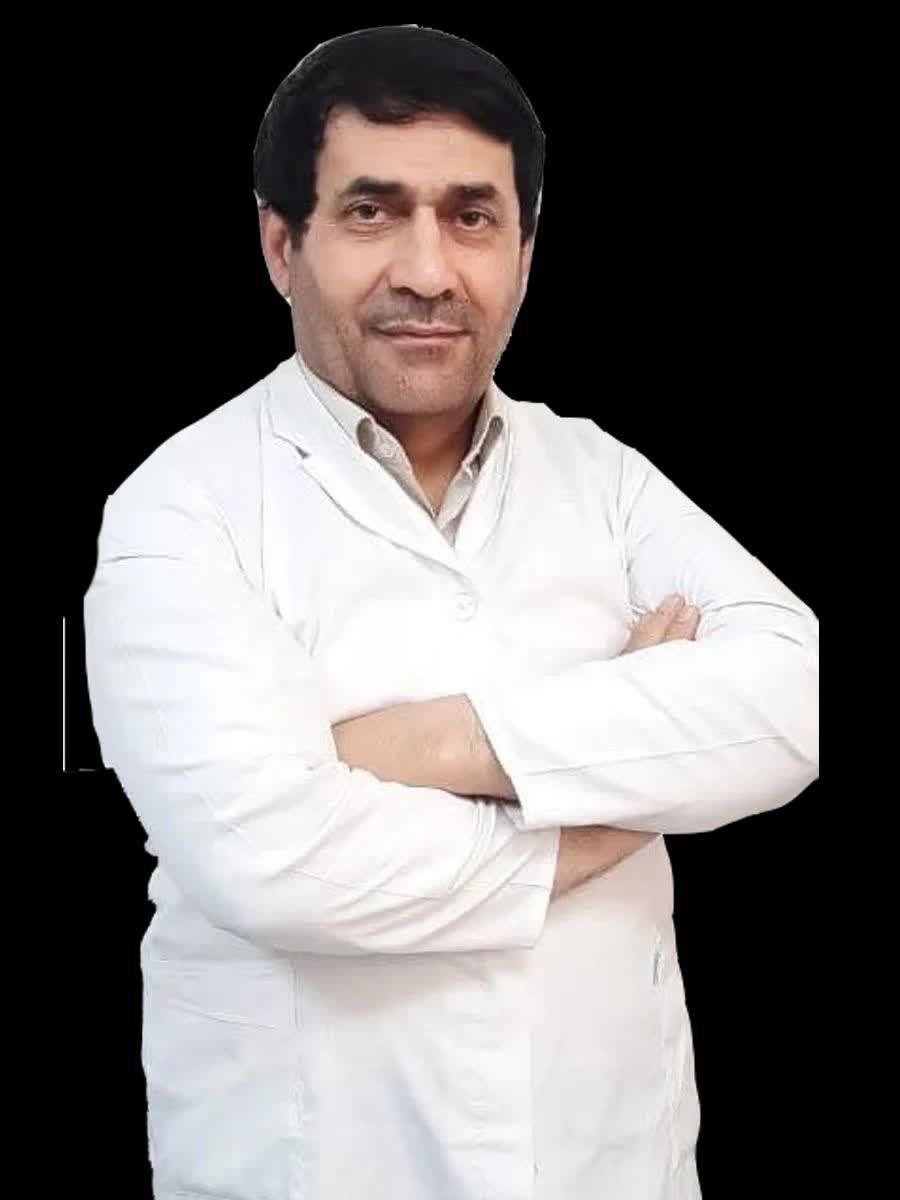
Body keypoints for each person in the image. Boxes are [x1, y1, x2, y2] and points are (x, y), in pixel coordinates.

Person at [83, 24, 819, 1200]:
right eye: (373, 212)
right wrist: (623, 797)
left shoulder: (602, 478)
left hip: (609, 1164)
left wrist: (416, 748)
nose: (428, 270)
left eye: (472, 216)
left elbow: (799, 700)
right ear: (281, 245)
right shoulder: (179, 509)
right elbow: (275, 862)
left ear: (524, 249)